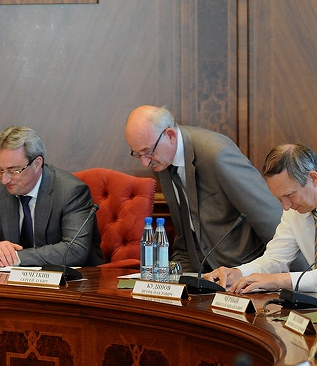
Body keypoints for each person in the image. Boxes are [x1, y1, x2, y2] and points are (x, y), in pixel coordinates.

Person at [124, 105, 305, 274]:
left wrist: (300, 283)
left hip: (244, 271)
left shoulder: (217, 155)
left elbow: (268, 216)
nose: (145, 162)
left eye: (148, 152)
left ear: (170, 136)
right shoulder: (161, 161)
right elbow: (187, 235)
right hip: (205, 273)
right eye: (138, 154)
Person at [0, 126, 104, 268]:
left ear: (37, 163)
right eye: (0, 170)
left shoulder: (70, 191)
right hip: (14, 280)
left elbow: (75, 250)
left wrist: (14, 258)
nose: (4, 180)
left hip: (77, 278)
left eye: (13, 170)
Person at [204, 144, 317, 293]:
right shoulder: (294, 210)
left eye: (289, 195)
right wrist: (238, 273)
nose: (285, 206)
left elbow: (278, 277)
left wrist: (279, 280)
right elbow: (275, 259)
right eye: (280, 199)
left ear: (313, 179)